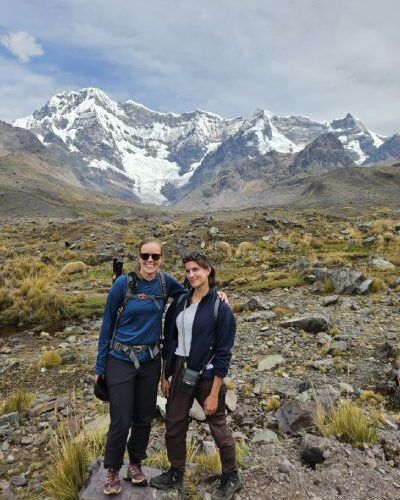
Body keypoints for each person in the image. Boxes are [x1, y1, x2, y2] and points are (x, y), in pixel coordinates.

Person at [95, 239, 227, 496]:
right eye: (146, 255)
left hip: (150, 362)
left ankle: (135, 464)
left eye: (155, 256)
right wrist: (100, 366)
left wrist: (216, 294)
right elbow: (106, 326)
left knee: (144, 417)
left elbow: (194, 290)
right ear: (139, 256)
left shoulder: (166, 283)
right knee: (121, 419)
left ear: (161, 258)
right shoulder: (123, 284)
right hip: (120, 360)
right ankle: (111, 469)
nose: (150, 261)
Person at [150, 252, 242, 500]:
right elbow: (169, 340)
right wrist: (165, 376)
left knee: (217, 424)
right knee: (174, 423)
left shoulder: (219, 308)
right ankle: (176, 472)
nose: (191, 275)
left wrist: (213, 393)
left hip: (207, 374)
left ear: (208, 270)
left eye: (196, 270)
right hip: (180, 369)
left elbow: (223, 353)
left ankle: (231, 475)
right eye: (188, 271)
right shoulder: (180, 302)